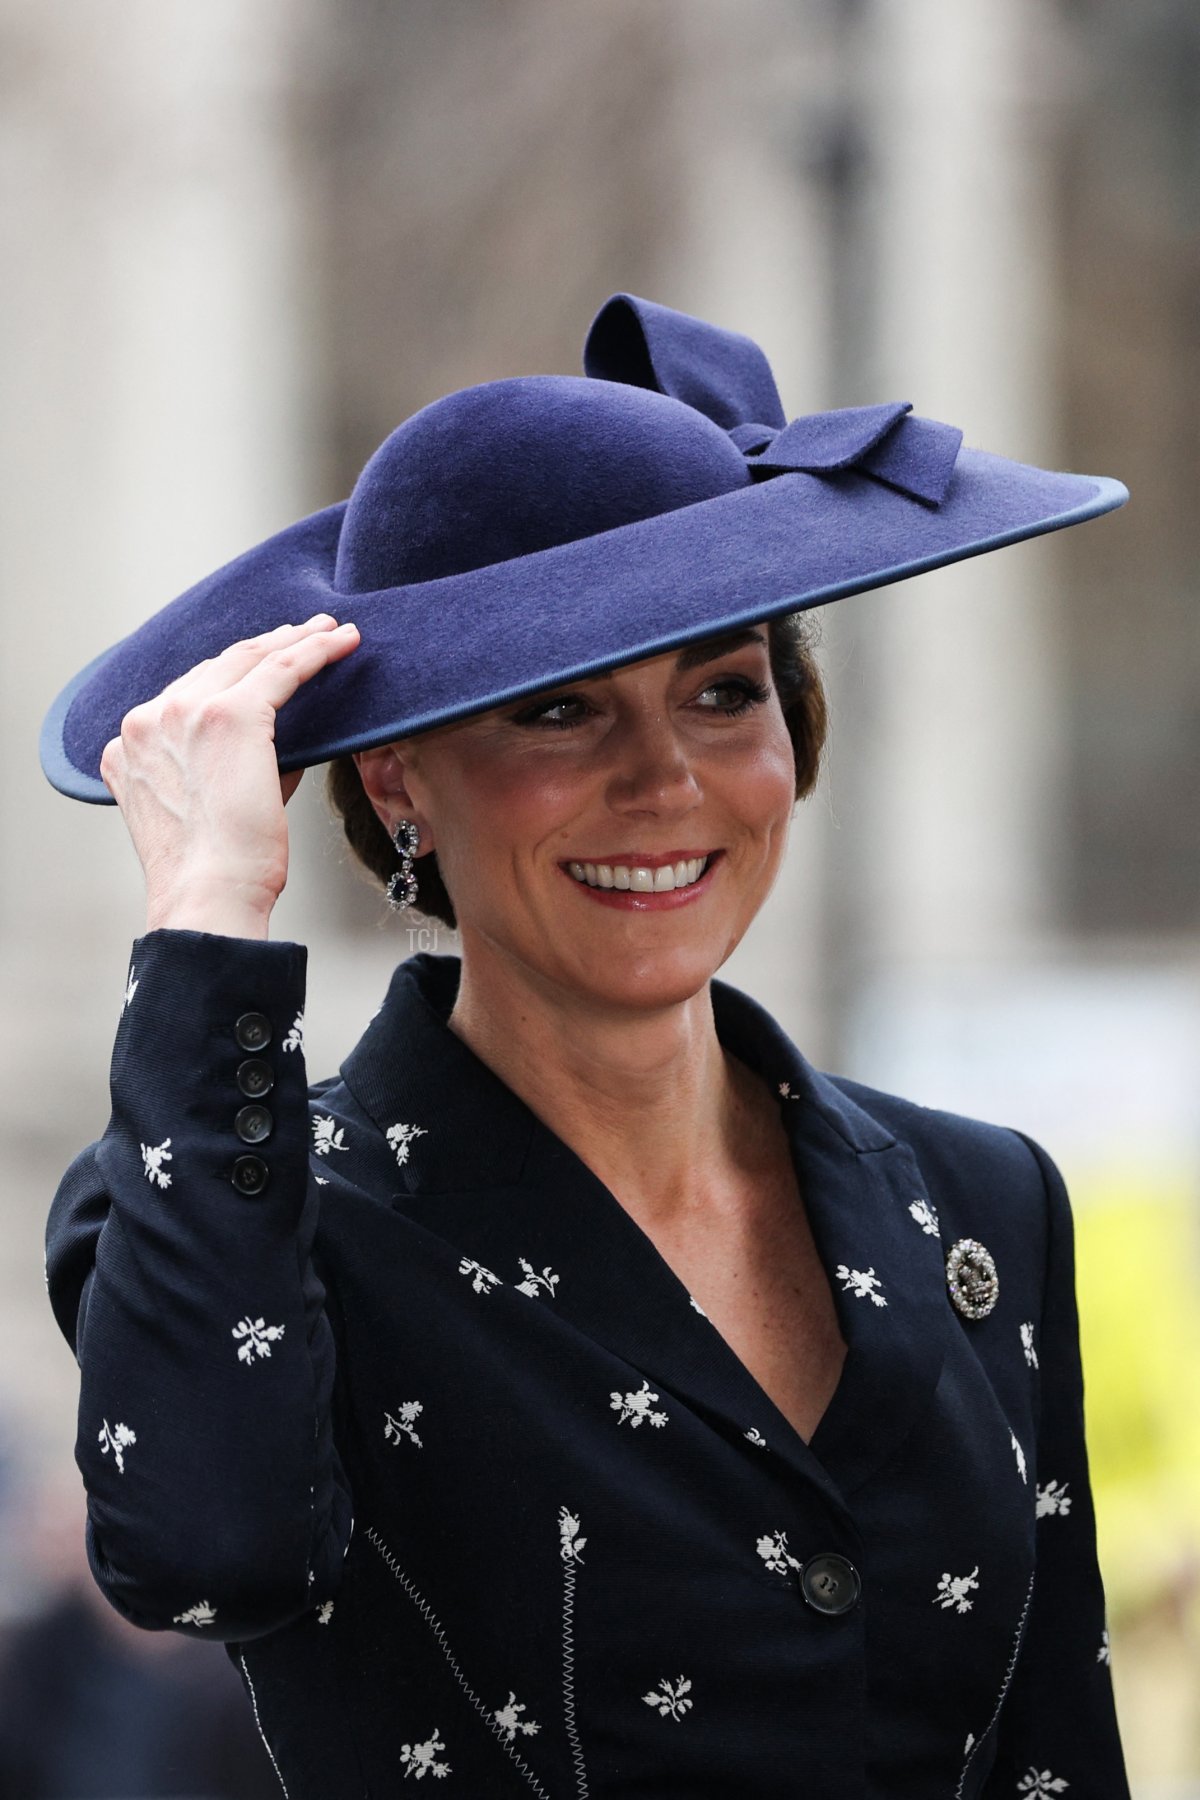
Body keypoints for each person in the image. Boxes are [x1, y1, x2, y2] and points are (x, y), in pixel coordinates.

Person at [41, 294, 1132, 1796]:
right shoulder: (250, 1218)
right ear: (398, 781)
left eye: (723, 691)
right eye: (557, 711)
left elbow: (1057, 1751)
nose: (663, 780)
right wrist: (211, 920)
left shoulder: (983, 1202)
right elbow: (205, 1554)